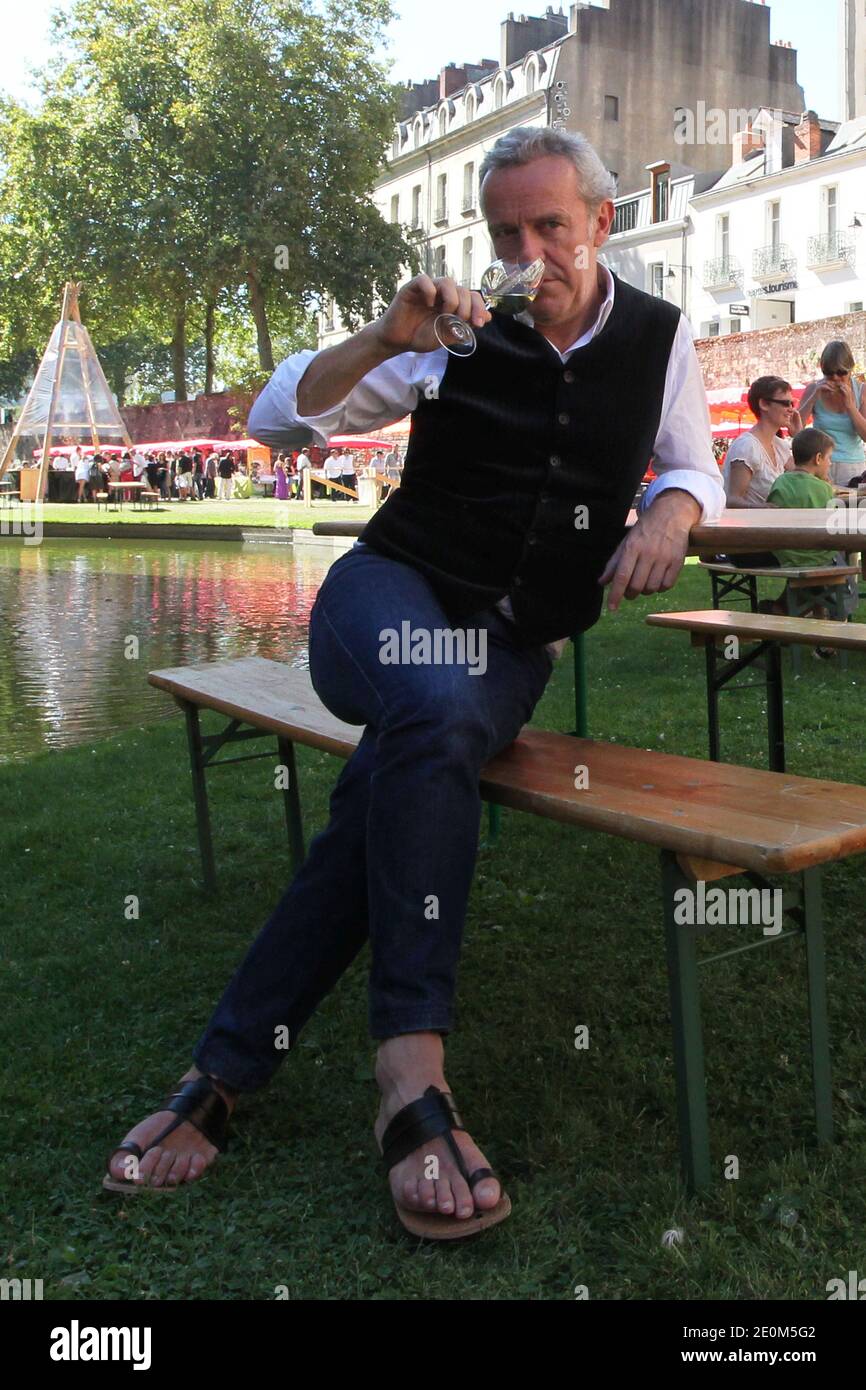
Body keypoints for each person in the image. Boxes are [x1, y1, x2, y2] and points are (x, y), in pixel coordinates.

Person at [105, 126, 723, 1236]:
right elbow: (276, 419)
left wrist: (672, 509)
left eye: (548, 226)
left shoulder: (661, 338)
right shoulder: (450, 333)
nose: (526, 250)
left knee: (409, 756)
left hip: (512, 646)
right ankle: (410, 1074)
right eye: (504, 232)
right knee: (430, 708)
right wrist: (376, 336)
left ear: (601, 223)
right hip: (385, 600)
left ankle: (223, 1073)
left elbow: (688, 459)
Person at [763, 427, 843, 650]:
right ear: (818, 458)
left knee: (811, 577)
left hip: (786, 555)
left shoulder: (780, 483)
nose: (829, 464)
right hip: (819, 556)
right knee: (841, 563)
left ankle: (789, 614)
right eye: (828, 459)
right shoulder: (823, 489)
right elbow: (834, 526)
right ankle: (836, 619)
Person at [720, 375, 801, 566]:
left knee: (825, 545)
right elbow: (732, 500)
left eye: (792, 402)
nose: (791, 408)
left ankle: (788, 597)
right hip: (748, 541)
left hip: (773, 533)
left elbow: (805, 477)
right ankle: (791, 597)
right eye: (785, 403)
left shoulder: (779, 445)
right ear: (764, 404)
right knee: (822, 548)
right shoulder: (747, 447)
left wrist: (799, 435)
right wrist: (763, 508)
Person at [798, 341, 866, 487]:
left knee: (850, 509)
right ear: (822, 368)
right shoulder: (813, 389)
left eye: (841, 372)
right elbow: (794, 429)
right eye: (829, 373)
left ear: (851, 369)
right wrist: (813, 398)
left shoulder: (861, 391)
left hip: (852, 466)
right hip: (818, 465)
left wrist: (850, 406)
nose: (835, 377)